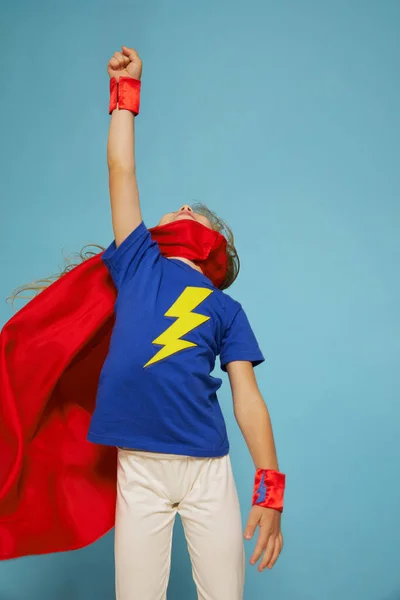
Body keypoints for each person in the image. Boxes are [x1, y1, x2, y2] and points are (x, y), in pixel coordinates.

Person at [95, 46, 285, 600]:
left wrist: (270, 491)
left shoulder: (227, 310)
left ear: (212, 247)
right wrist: (125, 96)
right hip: (141, 468)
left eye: (192, 210)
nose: (180, 206)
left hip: (208, 468)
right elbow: (121, 168)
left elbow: (247, 400)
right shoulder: (138, 263)